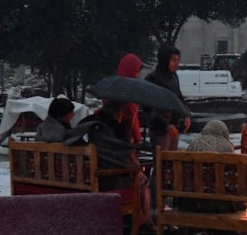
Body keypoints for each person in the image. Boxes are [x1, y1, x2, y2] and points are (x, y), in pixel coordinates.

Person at [76, 100, 154, 231]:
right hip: (103, 178)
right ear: (118, 114)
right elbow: (119, 157)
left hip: (81, 175)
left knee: (137, 176)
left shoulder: (86, 122)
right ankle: (142, 221)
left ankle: (142, 218)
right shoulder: (111, 128)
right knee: (141, 179)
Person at [145, 44, 191, 212]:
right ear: (165, 60)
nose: (176, 63)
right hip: (160, 128)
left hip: (173, 126)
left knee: (170, 165)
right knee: (160, 165)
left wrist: (185, 114)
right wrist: (166, 125)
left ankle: (166, 198)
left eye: (178, 60)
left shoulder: (174, 78)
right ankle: (155, 202)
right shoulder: (153, 79)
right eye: (173, 60)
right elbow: (150, 108)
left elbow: (178, 98)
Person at [115, 53, 145, 144]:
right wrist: (137, 138)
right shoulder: (128, 91)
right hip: (125, 138)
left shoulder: (114, 85)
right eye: (136, 72)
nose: (137, 76)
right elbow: (131, 116)